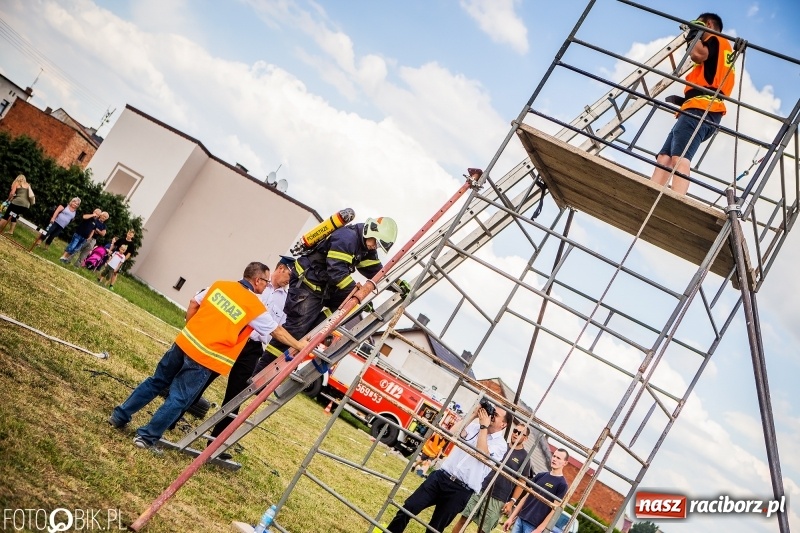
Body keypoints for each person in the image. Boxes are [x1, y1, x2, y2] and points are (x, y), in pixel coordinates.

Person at [107, 262, 310, 451]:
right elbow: (277, 331)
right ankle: (146, 437)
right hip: (205, 356)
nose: (266, 286)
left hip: (184, 343)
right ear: (257, 280)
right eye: (265, 281)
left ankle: (119, 415)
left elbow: (193, 302)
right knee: (179, 398)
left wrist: (191, 328)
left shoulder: (220, 285)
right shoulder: (253, 305)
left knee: (156, 381)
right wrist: (300, 345)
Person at [177, 257, 293, 456]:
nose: (291, 280)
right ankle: (172, 417)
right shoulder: (253, 284)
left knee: (236, 395)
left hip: (253, 348)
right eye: (290, 274)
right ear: (281, 268)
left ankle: (215, 445)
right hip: (233, 338)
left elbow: (278, 328)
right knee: (203, 378)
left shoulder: (288, 300)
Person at [256, 217, 398, 373]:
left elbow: (377, 272)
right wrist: (357, 292)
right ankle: (261, 373)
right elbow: (336, 271)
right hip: (307, 286)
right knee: (294, 332)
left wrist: (397, 283)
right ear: (371, 230)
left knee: (349, 301)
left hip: (323, 288)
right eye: (375, 242)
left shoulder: (365, 248)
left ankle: (315, 326)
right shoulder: (347, 238)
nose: (374, 247)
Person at [386, 404, 511, 533]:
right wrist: (474, 414)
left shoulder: (501, 445)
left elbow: (482, 455)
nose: (491, 416)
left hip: (460, 490)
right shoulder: (474, 427)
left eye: (496, 415)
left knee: (435, 529)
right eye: (492, 412)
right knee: (408, 508)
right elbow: (451, 433)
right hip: (441, 477)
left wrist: (483, 427)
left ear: (503, 424)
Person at [651, 13, 734, 196]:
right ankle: (650, 192)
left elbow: (697, 54)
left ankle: (677, 198)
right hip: (698, 107)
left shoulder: (716, 39)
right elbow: (709, 75)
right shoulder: (724, 49)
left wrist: (694, 33)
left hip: (702, 108)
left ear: (708, 25)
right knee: (664, 157)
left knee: (679, 157)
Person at [452, 423, 533, 533]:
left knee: (483, 530)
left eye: (520, 433)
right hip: (481, 488)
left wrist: (512, 502)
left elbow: (522, 482)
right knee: (463, 520)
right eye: (515, 431)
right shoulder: (501, 446)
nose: (516, 434)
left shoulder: (525, 458)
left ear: (526, 438)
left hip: (499, 497)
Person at [503, 449, 569, 533]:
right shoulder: (540, 475)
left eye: (558, 458)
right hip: (521, 518)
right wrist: (511, 518)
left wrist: (539, 529)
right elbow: (525, 497)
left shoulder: (562, 484)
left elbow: (554, 510)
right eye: (554, 456)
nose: (554, 459)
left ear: (565, 463)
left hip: (534, 526)